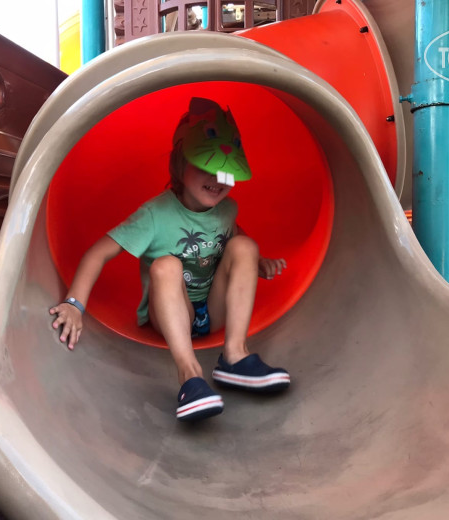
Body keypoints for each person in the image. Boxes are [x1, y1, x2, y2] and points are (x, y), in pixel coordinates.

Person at [49, 97, 291, 422]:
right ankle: (190, 377)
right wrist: (74, 305)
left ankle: (234, 357)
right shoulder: (154, 215)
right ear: (179, 164)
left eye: (226, 172)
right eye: (205, 166)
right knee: (166, 265)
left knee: (246, 245)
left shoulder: (227, 209)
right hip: (170, 316)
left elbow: (232, 233)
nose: (218, 180)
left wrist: (256, 261)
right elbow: (99, 252)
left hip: (212, 311)